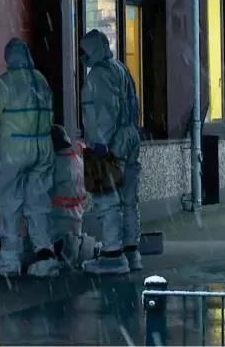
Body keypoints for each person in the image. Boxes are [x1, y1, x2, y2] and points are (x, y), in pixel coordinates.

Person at [0, 38, 61, 278]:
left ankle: (10, 259)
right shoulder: (40, 80)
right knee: (38, 204)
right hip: (43, 147)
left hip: (15, 149)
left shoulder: (3, 84)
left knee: (10, 203)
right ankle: (45, 255)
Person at [79, 29, 142, 275]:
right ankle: (130, 250)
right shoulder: (120, 69)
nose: (82, 56)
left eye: (84, 51)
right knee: (128, 198)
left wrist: (102, 145)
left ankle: (112, 254)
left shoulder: (99, 75)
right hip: (130, 136)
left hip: (110, 141)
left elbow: (105, 111)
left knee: (108, 197)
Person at [49, 124, 102, 269]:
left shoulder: (57, 163)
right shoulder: (77, 159)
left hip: (58, 216)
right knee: (72, 245)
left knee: (63, 248)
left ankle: (83, 252)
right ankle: (90, 250)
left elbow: (44, 189)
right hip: (76, 213)